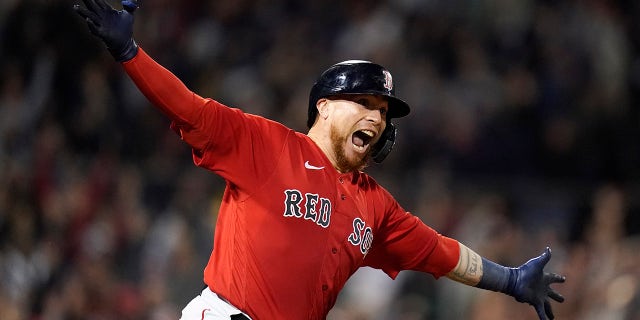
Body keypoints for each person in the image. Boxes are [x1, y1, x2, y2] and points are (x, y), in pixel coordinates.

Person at [73, 1, 566, 319]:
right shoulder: (267, 145)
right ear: (325, 107)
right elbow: (188, 107)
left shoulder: (376, 207)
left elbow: (441, 252)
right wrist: (131, 54)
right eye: (366, 103)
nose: (376, 117)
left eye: (383, 112)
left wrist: (510, 279)